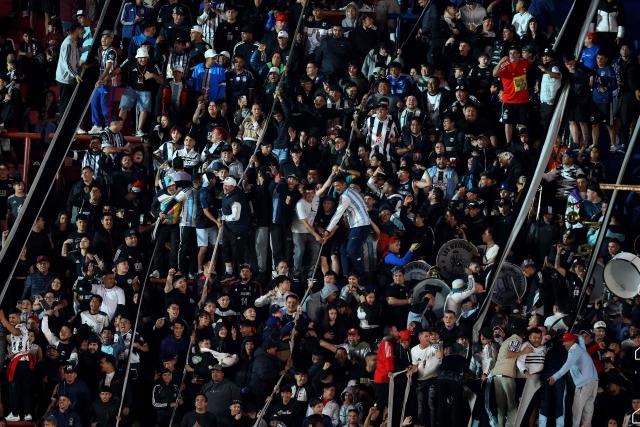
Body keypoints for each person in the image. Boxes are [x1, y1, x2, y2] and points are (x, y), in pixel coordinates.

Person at [322, 175, 371, 276]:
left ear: (344, 184)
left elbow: (337, 214)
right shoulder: (352, 191)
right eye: (335, 186)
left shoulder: (345, 196)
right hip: (362, 224)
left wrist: (328, 230)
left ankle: (362, 274)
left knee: (351, 250)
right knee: (346, 249)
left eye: (338, 185)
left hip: (360, 224)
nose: (336, 188)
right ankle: (349, 274)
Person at [548, 333, 599, 427]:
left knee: (577, 412)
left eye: (566, 341)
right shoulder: (581, 349)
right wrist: (577, 335)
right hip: (594, 382)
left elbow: (567, 365)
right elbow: (582, 340)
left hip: (584, 384)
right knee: (588, 411)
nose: (563, 344)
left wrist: (555, 377)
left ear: (572, 341)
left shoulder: (574, 350)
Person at [55, 23, 83, 115]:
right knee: (65, 105)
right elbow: (66, 62)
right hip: (64, 79)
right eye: (81, 29)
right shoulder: (68, 43)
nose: (83, 31)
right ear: (76, 29)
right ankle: (61, 126)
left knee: (69, 104)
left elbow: (75, 53)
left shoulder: (73, 41)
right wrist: (75, 75)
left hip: (69, 78)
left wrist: (87, 48)